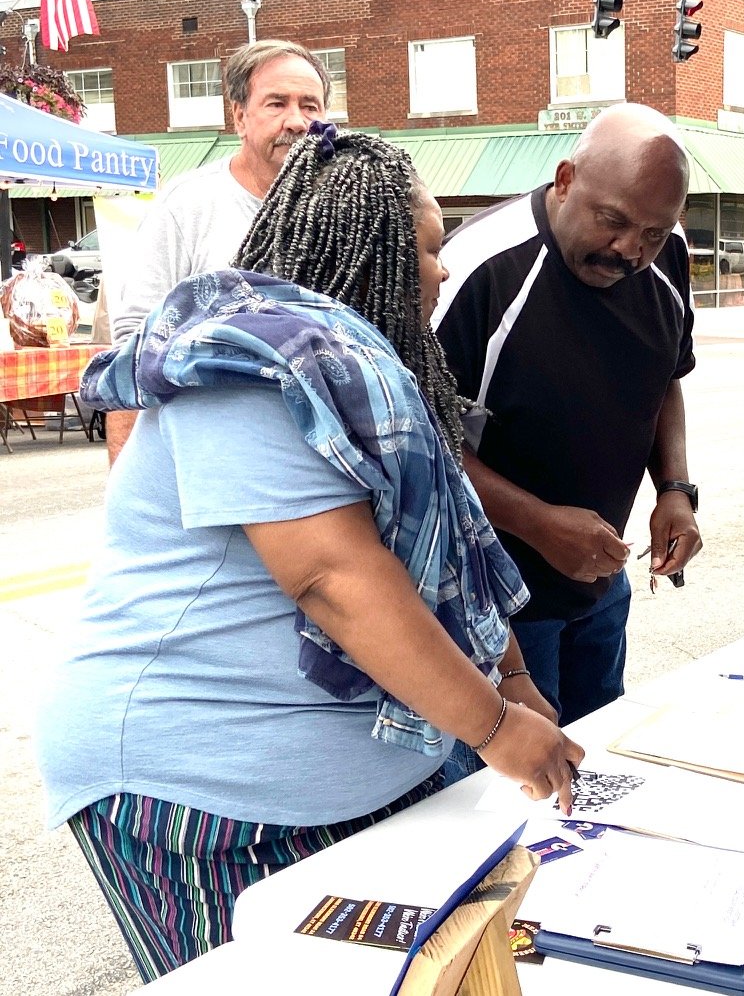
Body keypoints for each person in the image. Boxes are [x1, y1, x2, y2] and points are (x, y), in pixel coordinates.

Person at [37, 128, 584, 982]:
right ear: (368, 250)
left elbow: (441, 556)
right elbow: (335, 578)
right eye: (429, 251)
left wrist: (510, 681)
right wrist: (492, 726)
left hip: (358, 789)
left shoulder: (366, 382)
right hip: (200, 803)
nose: (442, 274)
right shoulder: (253, 372)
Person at [432, 103, 701, 727]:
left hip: (601, 584)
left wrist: (676, 491)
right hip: (500, 603)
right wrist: (540, 524)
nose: (631, 250)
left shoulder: (667, 251)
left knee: (601, 762)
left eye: (654, 232)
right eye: (613, 222)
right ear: (564, 180)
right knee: (521, 793)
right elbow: (421, 445)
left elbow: (666, 381)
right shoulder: (477, 269)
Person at [104, 39, 330, 464]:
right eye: (276, 104)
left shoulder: (344, 209)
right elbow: (134, 344)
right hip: (208, 454)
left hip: (322, 456)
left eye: (311, 106)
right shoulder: (187, 205)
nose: (297, 121)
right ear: (240, 116)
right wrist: (124, 473)